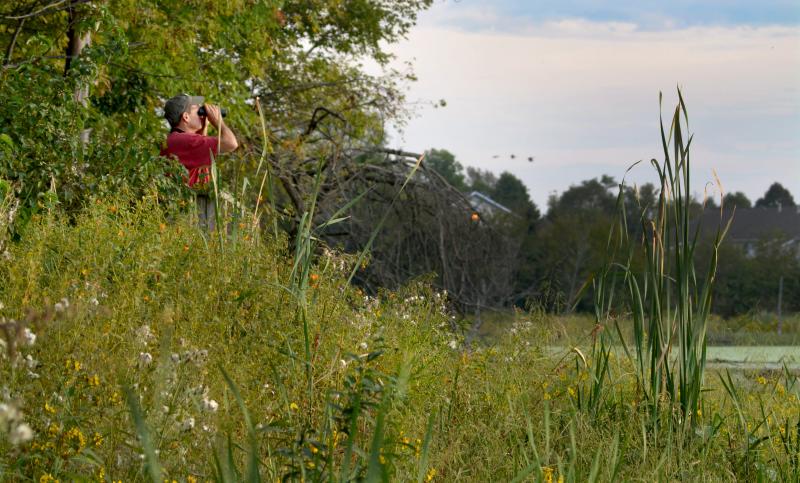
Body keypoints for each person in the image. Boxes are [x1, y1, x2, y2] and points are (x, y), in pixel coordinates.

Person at [160, 93, 238, 229]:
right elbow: (231, 143)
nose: (203, 113)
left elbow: (199, 168)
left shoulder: (177, 140)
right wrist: (218, 122)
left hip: (186, 217)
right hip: (184, 220)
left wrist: (204, 128)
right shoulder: (183, 141)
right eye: (198, 110)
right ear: (186, 117)